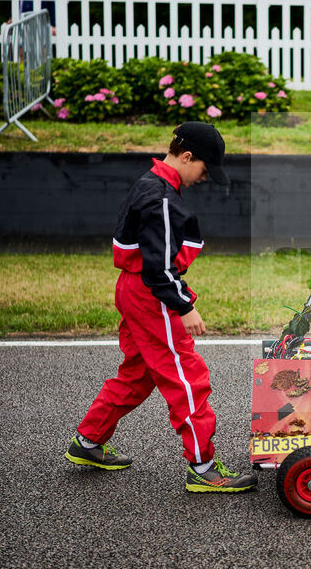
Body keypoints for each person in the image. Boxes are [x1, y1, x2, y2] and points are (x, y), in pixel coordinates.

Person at [66, 122, 258, 493]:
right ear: (187, 157)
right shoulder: (163, 200)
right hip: (152, 297)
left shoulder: (149, 184)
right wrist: (184, 305)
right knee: (187, 379)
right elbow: (160, 268)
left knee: (137, 374)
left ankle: (88, 441)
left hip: (133, 291)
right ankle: (203, 468)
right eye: (204, 170)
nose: (203, 179)